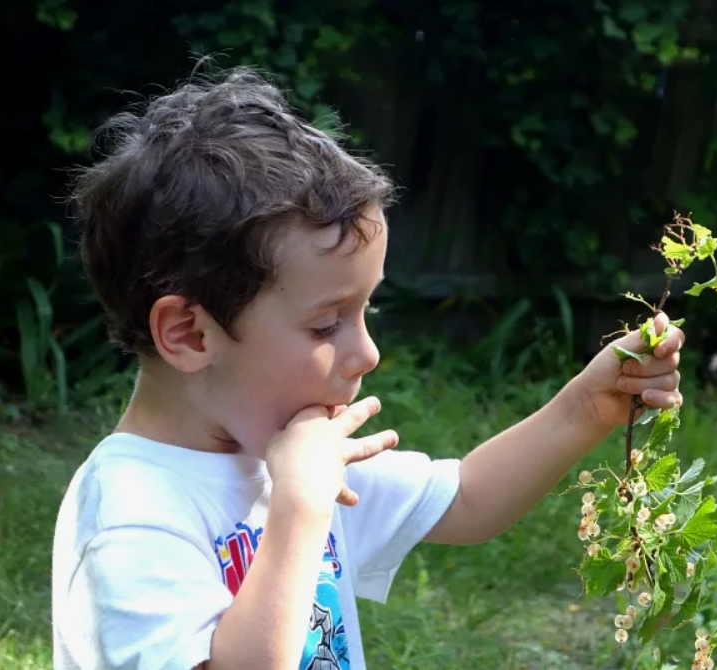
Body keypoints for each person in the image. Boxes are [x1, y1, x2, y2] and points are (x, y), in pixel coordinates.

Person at [51, 67, 684, 670]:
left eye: (366, 308)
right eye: (326, 324)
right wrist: (299, 508)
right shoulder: (131, 514)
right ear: (190, 334)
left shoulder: (292, 449)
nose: (369, 351)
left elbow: (465, 499)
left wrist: (585, 408)